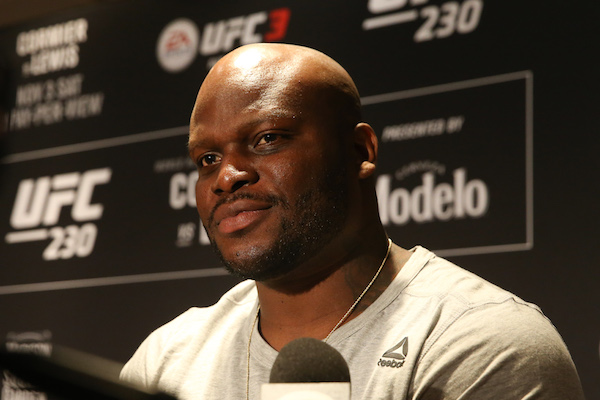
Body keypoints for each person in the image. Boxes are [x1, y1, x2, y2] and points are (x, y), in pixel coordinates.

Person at [121, 43, 584, 399]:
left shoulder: (482, 345)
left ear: (359, 152)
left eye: (267, 139)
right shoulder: (165, 362)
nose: (227, 177)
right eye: (207, 158)